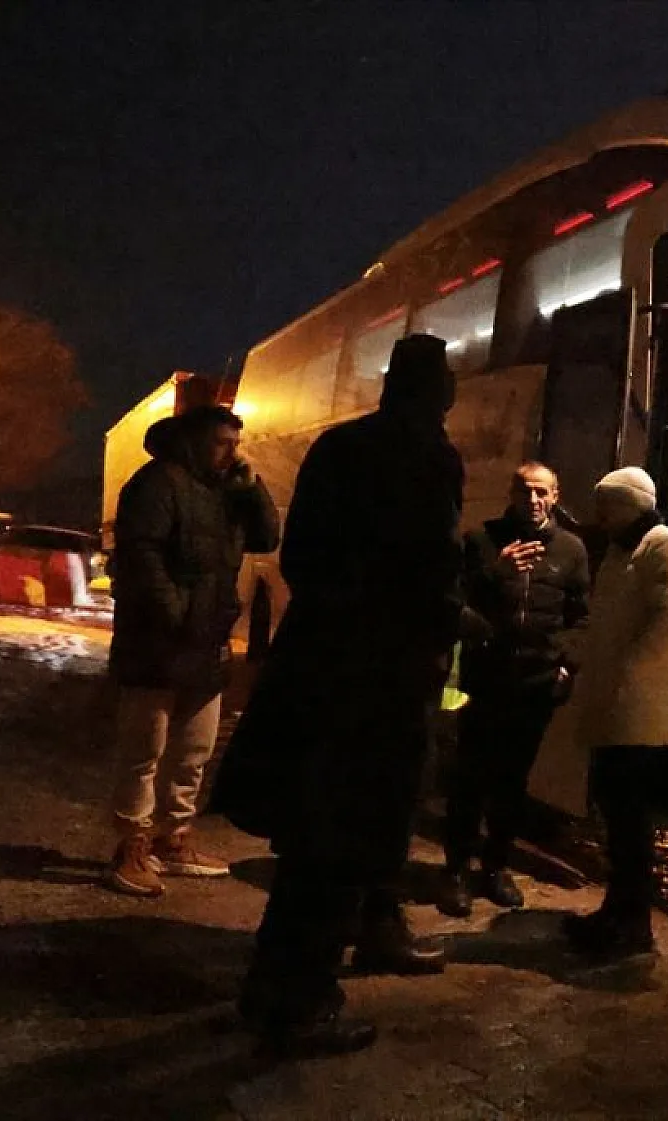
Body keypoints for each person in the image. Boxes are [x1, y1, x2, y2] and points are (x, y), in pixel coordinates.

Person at [209, 334, 466, 1059]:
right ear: (434, 390)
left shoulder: (337, 446)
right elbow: (431, 568)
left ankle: (276, 983)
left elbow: (299, 555)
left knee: (315, 838)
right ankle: (300, 1001)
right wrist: (451, 620)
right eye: (446, 381)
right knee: (344, 838)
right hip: (379, 682)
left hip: (319, 668)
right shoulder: (429, 456)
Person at [104, 404, 279, 897]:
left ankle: (173, 839)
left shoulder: (228, 490)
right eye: (224, 442)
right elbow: (142, 556)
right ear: (194, 440)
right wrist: (176, 615)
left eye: (236, 443)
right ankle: (130, 846)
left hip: (207, 641)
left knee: (194, 751)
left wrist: (252, 487)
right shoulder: (158, 483)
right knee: (145, 749)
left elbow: (266, 538)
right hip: (157, 642)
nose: (233, 452)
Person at [440, 461, 590, 918]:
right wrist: (496, 572)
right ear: (512, 493)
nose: (533, 500)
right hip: (487, 680)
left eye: (542, 492)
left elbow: (580, 616)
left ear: (556, 495)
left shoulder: (570, 549)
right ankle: (455, 872)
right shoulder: (481, 541)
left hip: (536, 684)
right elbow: (456, 601)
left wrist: (567, 664)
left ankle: (495, 867)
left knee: (512, 781)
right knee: (470, 779)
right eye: (525, 491)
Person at [561, 466, 668, 962]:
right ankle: (616, 911)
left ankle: (633, 922)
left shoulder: (664, 544)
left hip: (640, 707)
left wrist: (630, 672)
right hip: (617, 702)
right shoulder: (622, 551)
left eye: (608, 506)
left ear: (630, 505)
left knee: (632, 821)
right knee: (617, 819)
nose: (601, 517)